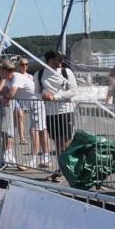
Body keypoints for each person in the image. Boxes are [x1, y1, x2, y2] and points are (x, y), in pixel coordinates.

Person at [36, 50, 77, 181]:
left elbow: (73, 90)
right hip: (50, 113)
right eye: (58, 59)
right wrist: (43, 96)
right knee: (58, 142)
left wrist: (55, 96)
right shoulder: (39, 74)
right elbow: (35, 93)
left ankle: (67, 169)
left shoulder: (67, 72)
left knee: (66, 141)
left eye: (61, 59)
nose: (61, 61)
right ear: (50, 61)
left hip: (66, 110)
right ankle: (62, 168)